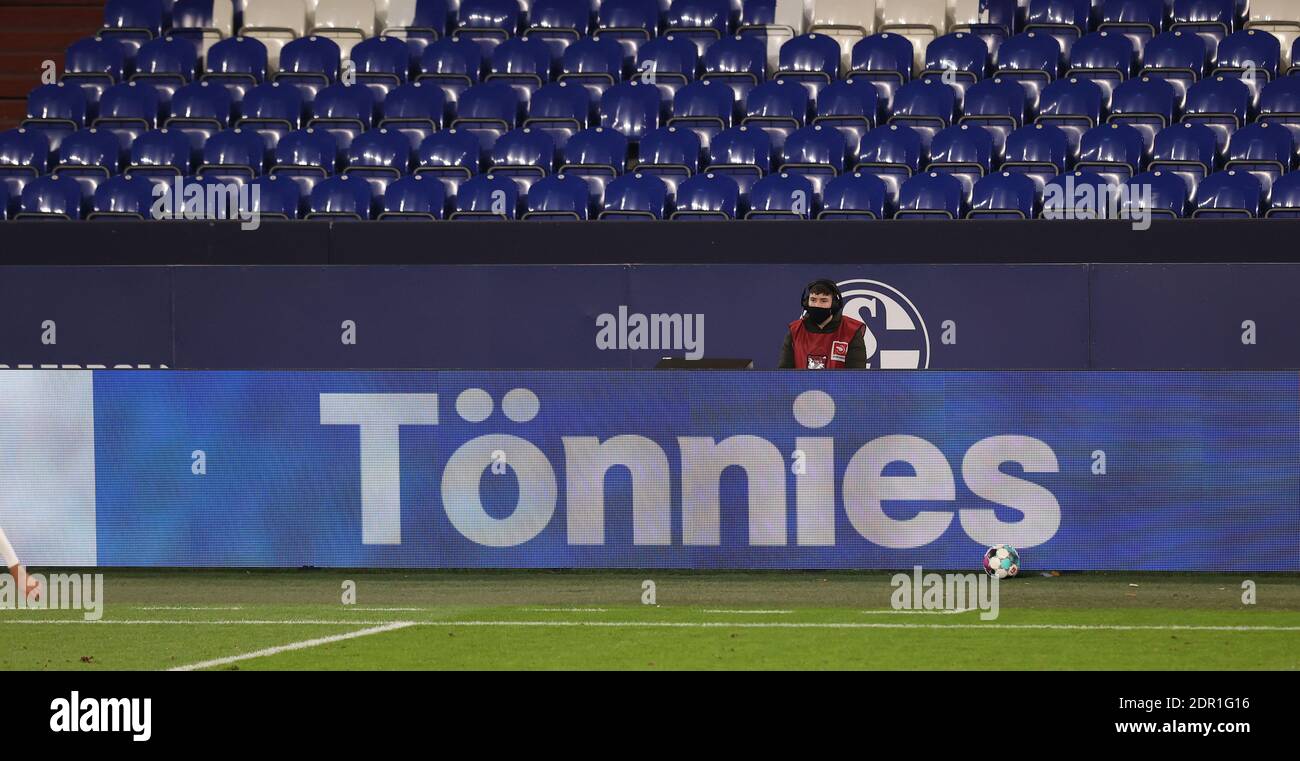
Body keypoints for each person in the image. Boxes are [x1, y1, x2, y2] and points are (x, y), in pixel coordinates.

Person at [778, 279, 867, 369]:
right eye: (813, 300)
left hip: (839, 383)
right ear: (806, 302)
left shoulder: (851, 330)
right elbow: (784, 374)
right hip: (801, 383)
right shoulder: (795, 330)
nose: (817, 305)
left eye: (823, 301)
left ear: (834, 304)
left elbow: (856, 376)